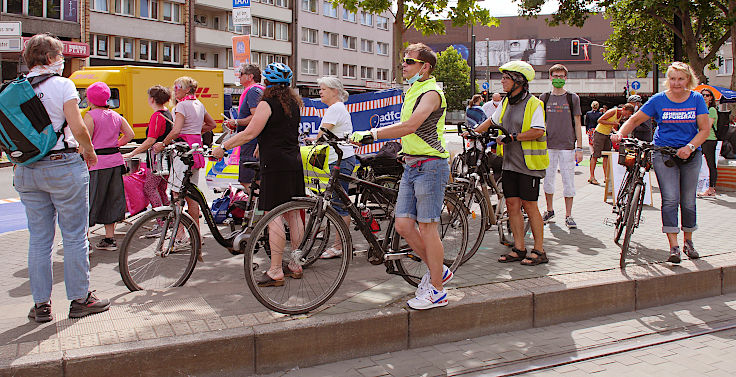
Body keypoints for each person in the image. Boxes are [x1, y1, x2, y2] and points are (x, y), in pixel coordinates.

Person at [15, 33, 110, 323]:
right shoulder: (62, 85)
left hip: (27, 169)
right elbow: (78, 126)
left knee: (39, 240)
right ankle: (80, 299)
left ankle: (41, 306)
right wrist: (90, 152)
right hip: (62, 165)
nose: (62, 61)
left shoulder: (15, 89)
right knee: (73, 237)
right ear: (49, 59)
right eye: (60, 57)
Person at [350, 43, 453, 310]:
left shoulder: (431, 93)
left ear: (425, 67)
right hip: (411, 165)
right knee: (404, 226)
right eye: (403, 61)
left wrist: (371, 135)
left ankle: (438, 290)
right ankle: (438, 270)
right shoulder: (413, 90)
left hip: (430, 166)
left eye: (409, 62)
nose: (404, 66)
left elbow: (410, 126)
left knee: (428, 228)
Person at [212, 62, 305, 286]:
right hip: (293, 161)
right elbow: (280, 131)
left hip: (274, 164)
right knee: (293, 214)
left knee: (272, 215)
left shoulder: (267, 102)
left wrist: (223, 147)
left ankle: (275, 270)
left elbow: (250, 132)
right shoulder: (294, 102)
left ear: (266, 83)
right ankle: (295, 264)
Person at [612, 62, 709, 264]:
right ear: (668, 80)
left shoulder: (697, 99)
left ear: (688, 80)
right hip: (664, 154)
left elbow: (704, 130)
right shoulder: (659, 100)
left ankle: (688, 241)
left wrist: (689, 147)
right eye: (673, 78)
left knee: (688, 200)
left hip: (691, 155)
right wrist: (621, 134)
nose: (676, 83)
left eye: (681, 79)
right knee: (671, 199)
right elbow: (634, 120)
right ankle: (673, 246)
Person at [472, 61, 548, 266]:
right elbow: (493, 121)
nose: (502, 81)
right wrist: (473, 132)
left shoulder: (534, 104)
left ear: (519, 81)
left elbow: (538, 131)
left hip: (529, 164)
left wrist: (513, 137)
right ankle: (519, 248)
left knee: (530, 206)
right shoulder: (506, 103)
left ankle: (539, 251)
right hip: (510, 164)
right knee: (513, 205)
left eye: (506, 78)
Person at [153, 77, 217, 242]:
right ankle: (196, 234)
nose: (175, 89)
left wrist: (162, 143)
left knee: (177, 193)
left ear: (188, 89)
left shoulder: (181, 105)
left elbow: (175, 131)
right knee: (192, 195)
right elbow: (211, 124)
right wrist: (195, 132)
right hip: (195, 152)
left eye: (178, 87)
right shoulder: (199, 104)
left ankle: (179, 233)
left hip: (182, 153)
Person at [305, 76, 355, 259]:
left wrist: (314, 140)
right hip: (340, 158)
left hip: (341, 160)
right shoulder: (337, 108)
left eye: (323, 89)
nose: (320, 92)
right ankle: (333, 238)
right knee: (336, 201)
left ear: (335, 91)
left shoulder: (334, 109)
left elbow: (323, 134)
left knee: (340, 205)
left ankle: (338, 246)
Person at [83, 81, 135, 251]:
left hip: (96, 163)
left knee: (90, 199)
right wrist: (115, 144)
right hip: (115, 161)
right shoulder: (115, 115)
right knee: (112, 199)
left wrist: (83, 156)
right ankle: (109, 238)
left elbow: (86, 141)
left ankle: (85, 241)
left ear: (90, 99)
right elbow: (130, 134)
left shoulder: (90, 116)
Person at [539, 64, 583, 229]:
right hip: (548, 146)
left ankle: (568, 214)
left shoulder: (573, 98)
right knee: (548, 181)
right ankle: (549, 210)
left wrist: (579, 147)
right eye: (555, 76)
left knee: (568, 182)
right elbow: (539, 122)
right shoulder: (544, 97)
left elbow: (578, 124)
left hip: (567, 146)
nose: (558, 79)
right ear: (550, 78)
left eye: (561, 76)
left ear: (566, 78)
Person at [124, 85, 174, 212]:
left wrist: (132, 153)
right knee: (161, 188)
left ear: (152, 99)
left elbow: (150, 140)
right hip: (167, 157)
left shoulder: (157, 116)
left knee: (150, 188)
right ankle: (168, 218)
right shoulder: (167, 113)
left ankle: (160, 219)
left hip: (156, 158)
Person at [224, 64, 264, 192]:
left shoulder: (253, 91)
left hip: (251, 142)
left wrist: (236, 122)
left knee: (249, 181)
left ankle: (261, 208)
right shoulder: (257, 90)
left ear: (250, 76)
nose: (238, 76)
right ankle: (261, 208)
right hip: (252, 141)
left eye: (241, 74)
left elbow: (256, 117)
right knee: (252, 180)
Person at [590, 104, 635, 185]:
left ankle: (606, 177)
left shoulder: (620, 115)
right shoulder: (613, 111)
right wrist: (611, 123)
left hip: (607, 134)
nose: (626, 116)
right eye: (626, 113)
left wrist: (616, 132)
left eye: (628, 115)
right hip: (599, 133)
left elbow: (612, 126)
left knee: (606, 156)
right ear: (623, 109)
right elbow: (599, 120)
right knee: (596, 155)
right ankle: (592, 176)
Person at [698, 88, 718, 196]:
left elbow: (707, 126)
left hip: (709, 139)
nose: (705, 97)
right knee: (692, 161)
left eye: (707, 95)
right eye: (703, 95)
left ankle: (711, 189)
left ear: (711, 98)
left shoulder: (711, 110)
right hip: (699, 139)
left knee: (711, 164)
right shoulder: (699, 108)